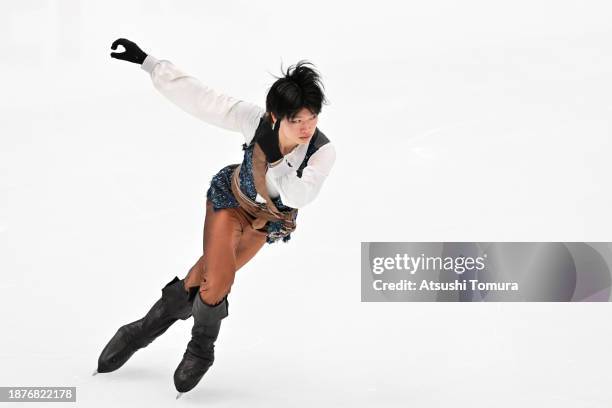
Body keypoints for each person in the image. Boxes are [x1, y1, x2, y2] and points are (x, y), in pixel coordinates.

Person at [94, 38, 337, 397]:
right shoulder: (254, 119)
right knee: (220, 278)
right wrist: (149, 62)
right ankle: (201, 348)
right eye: (296, 119)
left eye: (312, 117)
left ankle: (142, 329)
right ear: (275, 116)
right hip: (229, 200)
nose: (306, 127)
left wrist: (275, 159)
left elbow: (300, 194)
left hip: (265, 221)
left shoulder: (321, 151)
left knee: (202, 277)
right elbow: (202, 99)